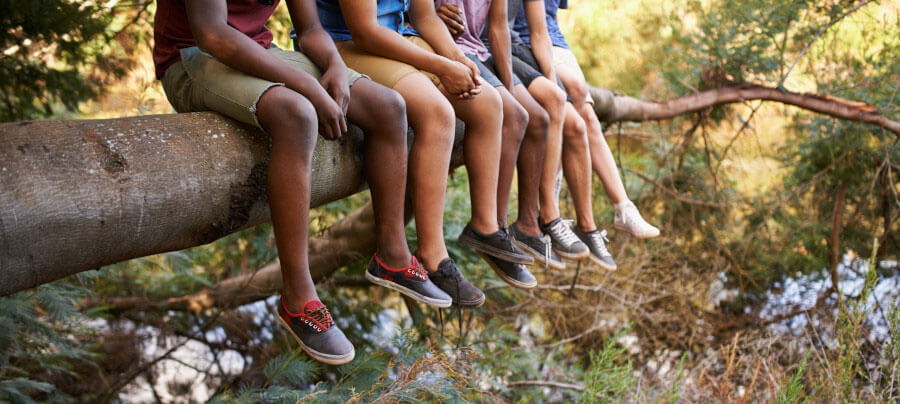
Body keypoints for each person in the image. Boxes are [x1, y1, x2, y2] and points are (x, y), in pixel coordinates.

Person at [153, 0, 452, 365]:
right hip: (193, 58)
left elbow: (309, 29)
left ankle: (392, 256)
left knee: (389, 107)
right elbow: (213, 34)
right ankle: (298, 296)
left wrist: (336, 67)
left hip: (260, 49)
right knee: (298, 115)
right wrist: (309, 89)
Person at [315, 0, 534, 307]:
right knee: (437, 113)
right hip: (345, 43)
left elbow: (424, 14)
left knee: (488, 104)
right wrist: (441, 66)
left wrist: (457, 58)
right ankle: (433, 256)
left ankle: (485, 226)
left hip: (400, 37)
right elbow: (365, 31)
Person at [516, 0, 661, 240]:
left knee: (588, 120)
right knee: (575, 103)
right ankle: (552, 211)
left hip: (556, 43)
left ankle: (622, 207)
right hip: (527, 41)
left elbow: (551, 17)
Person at [432, 0, 546, 289]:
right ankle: (489, 228)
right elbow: (410, 12)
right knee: (511, 115)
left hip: (474, 53)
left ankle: (497, 228)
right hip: (439, 47)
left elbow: (497, 26)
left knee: (518, 114)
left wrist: (510, 89)